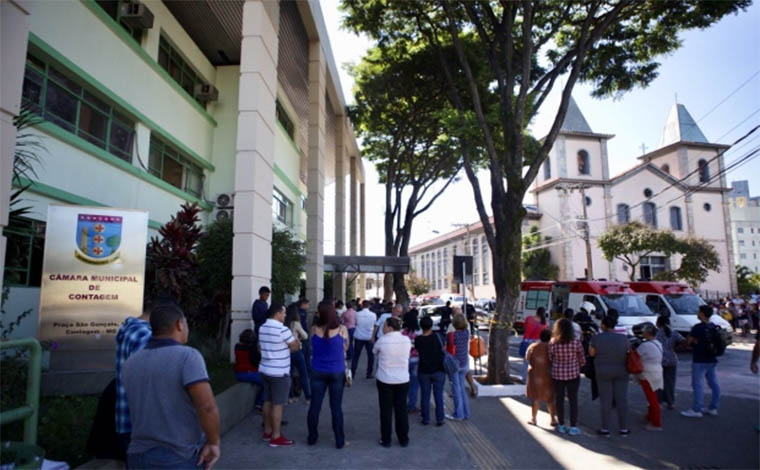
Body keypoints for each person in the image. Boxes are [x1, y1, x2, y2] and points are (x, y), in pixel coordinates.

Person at [123, 302, 220, 470]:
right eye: (186, 324)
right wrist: (214, 443)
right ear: (179, 324)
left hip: (136, 456)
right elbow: (207, 407)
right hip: (177, 457)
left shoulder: (132, 361)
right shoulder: (188, 356)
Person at [307, 301, 349, 449]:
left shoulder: (313, 329)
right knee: (336, 407)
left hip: (317, 371)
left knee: (315, 406)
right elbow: (346, 347)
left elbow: (313, 346)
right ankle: (339, 440)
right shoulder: (342, 329)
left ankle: (312, 438)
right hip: (336, 371)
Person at [114, 296, 153, 456]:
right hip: (140, 424)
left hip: (124, 418)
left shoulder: (129, 328)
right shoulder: (145, 334)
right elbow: (147, 380)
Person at [259, 303, 301, 447]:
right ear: (277, 314)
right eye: (283, 313)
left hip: (265, 369)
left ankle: (267, 431)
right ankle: (276, 436)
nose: (285, 316)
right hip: (279, 372)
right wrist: (297, 343)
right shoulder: (283, 330)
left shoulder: (262, 328)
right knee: (278, 404)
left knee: (267, 400)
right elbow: (294, 347)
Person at [373, 317, 412, 447]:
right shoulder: (406, 340)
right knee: (401, 409)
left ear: (390, 327)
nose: (383, 328)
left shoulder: (382, 341)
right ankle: (403, 438)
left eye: (384, 326)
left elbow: (374, 352)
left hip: (385, 379)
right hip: (402, 379)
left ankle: (386, 439)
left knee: (386, 410)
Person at [589, 315, 630, 437]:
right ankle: (623, 428)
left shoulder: (597, 338)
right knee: (621, 399)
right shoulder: (623, 338)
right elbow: (628, 351)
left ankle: (605, 428)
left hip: (603, 370)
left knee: (605, 400)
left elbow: (592, 353)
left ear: (603, 325)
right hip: (621, 370)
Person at [681, 305, 721, 418]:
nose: (697, 314)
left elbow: (688, 342)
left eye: (698, 312)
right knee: (714, 383)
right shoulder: (714, 327)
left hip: (699, 358)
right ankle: (713, 407)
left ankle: (696, 409)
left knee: (697, 384)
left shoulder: (697, 327)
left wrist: (691, 341)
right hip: (712, 358)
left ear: (702, 314)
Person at [549, 318, 585, 436]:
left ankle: (561, 425)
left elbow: (550, 358)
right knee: (573, 399)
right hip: (573, 374)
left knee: (559, 399)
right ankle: (573, 427)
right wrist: (576, 364)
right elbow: (582, 359)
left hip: (558, 374)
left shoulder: (553, 342)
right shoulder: (576, 342)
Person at [415, 315, 446, 426]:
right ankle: (440, 418)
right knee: (438, 395)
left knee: (425, 395)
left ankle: (426, 418)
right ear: (431, 325)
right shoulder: (439, 337)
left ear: (421, 326)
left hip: (423, 370)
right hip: (439, 370)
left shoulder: (418, 340)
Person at [525, 329, 556, 427]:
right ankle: (552, 419)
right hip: (549, 375)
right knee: (550, 398)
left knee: (536, 397)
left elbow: (527, 358)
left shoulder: (533, 346)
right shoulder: (552, 347)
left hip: (535, 374)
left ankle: (534, 419)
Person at [637, 323, 663, 431]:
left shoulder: (645, 345)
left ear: (647, 333)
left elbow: (636, 356)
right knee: (653, 397)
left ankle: (656, 423)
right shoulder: (658, 343)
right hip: (657, 371)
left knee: (651, 399)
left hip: (648, 374)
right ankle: (650, 416)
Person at [655, 316, 685, 409]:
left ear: (658, 323)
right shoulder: (674, 332)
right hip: (672, 359)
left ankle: (659, 402)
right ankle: (670, 402)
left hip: (660, 360)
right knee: (670, 382)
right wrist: (676, 349)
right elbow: (684, 341)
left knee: (659, 382)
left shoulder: (656, 333)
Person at [285, 303, 311, 404]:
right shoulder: (295, 323)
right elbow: (305, 335)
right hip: (296, 350)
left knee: (290, 374)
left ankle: (290, 397)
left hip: (287, 351)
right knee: (303, 374)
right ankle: (308, 397)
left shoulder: (284, 323)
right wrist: (298, 338)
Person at [446, 314, 471, 420]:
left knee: (456, 390)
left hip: (455, 365)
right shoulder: (467, 333)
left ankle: (458, 414)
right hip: (464, 363)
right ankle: (466, 413)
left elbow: (448, 348)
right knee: (462, 389)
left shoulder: (452, 335)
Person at [233, 329, 265, 412]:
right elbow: (256, 361)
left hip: (238, 373)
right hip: (249, 373)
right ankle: (259, 402)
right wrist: (259, 352)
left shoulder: (237, 347)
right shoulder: (252, 349)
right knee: (267, 382)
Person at [521, 307, 548, 382]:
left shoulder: (529, 318)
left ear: (536, 312)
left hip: (526, 342)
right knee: (536, 363)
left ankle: (524, 379)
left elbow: (524, 328)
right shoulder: (544, 323)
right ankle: (534, 380)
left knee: (526, 362)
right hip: (538, 343)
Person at [352, 300, 377, 379]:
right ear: (369, 306)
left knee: (356, 355)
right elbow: (374, 324)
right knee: (370, 356)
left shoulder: (357, 314)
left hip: (359, 336)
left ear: (362, 306)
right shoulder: (373, 315)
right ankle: (369, 373)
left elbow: (355, 323)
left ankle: (352, 373)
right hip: (369, 337)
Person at [402, 314, 420, 413]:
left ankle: (400, 403)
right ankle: (411, 405)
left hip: (404, 360)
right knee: (414, 384)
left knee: (404, 383)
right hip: (416, 359)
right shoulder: (418, 332)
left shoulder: (402, 333)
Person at [296, 298, 313, 374]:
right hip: (302, 336)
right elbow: (302, 325)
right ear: (303, 304)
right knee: (306, 354)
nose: (308, 306)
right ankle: (307, 371)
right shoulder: (301, 313)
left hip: (302, 335)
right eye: (307, 304)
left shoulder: (301, 312)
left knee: (306, 354)